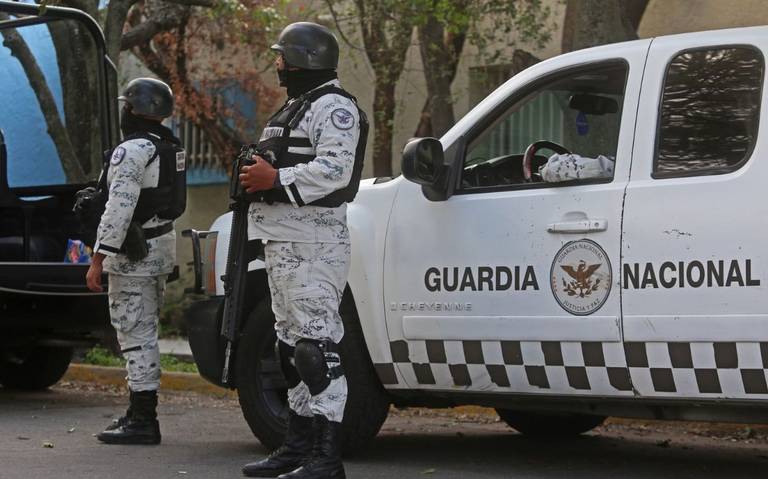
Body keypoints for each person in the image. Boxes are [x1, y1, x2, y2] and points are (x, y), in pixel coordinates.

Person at [239, 22, 367, 479]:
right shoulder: (298, 107)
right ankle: (297, 447)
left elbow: (335, 169)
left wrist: (275, 179)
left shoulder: (334, 107)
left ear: (303, 58)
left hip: (315, 243)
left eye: (282, 55)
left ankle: (326, 458)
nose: (277, 63)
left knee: (316, 349)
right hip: (284, 241)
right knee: (290, 349)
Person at [85, 78, 186, 445]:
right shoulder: (170, 147)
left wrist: (98, 258)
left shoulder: (132, 150)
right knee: (145, 329)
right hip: (160, 248)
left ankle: (143, 419)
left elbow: (119, 208)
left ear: (131, 109)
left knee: (135, 333)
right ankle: (137, 413)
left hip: (133, 255)